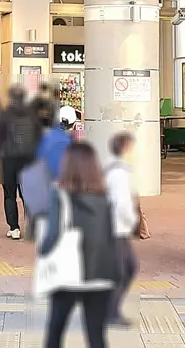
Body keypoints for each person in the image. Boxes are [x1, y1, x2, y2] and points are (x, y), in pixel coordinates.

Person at [39, 142, 119, 348]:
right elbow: (111, 237)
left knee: (55, 333)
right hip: (101, 275)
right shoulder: (106, 198)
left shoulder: (60, 194)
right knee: (96, 337)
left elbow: (53, 235)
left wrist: (43, 251)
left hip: (68, 274)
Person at [0, 85, 41, 238]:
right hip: (28, 160)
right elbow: (39, 137)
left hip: (9, 160)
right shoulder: (32, 115)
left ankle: (14, 228)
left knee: (9, 195)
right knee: (28, 194)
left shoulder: (5, 114)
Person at [104, 132, 140, 327]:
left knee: (125, 268)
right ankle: (110, 312)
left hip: (114, 228)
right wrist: (132, 220)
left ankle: (110, 310)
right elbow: (121, 203)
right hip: (116, 228)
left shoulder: (111, 168)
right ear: (125, 148)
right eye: (133, 149)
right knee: (124, 269)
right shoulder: (119, 173)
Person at [37, 106, 77, 180]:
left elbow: (39, 158)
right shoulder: (70, 143)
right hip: (62, 181)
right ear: (72, 124)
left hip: (45, 180)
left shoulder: (46, 137)